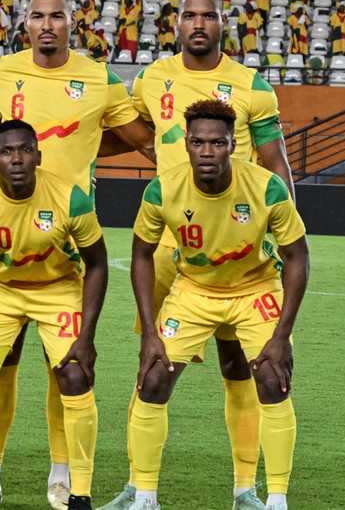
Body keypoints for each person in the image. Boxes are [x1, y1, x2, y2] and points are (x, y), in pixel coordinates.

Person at [100, 0, 295, 510]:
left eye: (209, 16)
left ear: (222, 22)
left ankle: (246, 488)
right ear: (177, 22)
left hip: (237, 240)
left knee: (241, 365)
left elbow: (276, 161)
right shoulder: (152, 78)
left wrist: (288, 224)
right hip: (169, 246)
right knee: (153, 363)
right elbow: (128, 133)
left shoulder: (250, 85)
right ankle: (137, 486)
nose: (199, 24)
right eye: (190, 16)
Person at [0, 0, 154, 508]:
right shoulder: (4, 72)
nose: (46, 24)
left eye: (56, 16)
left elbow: (141, 137)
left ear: (73, 21)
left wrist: (95, 142)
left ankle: (60, 475)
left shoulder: (97, 78)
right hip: (8, 238)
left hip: (70, 243)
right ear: (24, 23)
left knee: (64, 367)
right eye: (37, 16)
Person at [125, 99, 309, 510]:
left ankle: (275, 498)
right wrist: (150, 331)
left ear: (233, 144)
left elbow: (298, 257)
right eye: (198, 143)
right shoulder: (162, 188)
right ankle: (145, 497)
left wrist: (282, 335)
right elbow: (140, 254)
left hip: (255, 289)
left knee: (272, 379)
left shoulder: (265, 187)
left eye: (218, 143)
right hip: (194, 291)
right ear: (186, 144)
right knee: (153, 378)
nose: (207, 152)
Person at [0, 120, 108, 510]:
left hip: (58, 288)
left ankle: (72, 486)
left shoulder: (71, 198)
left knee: (73, 373)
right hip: (0, 290)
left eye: (24, 151)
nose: (16, 159)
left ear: (38, 155)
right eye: (6, 152)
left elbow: (97, 264)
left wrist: (86, 337)